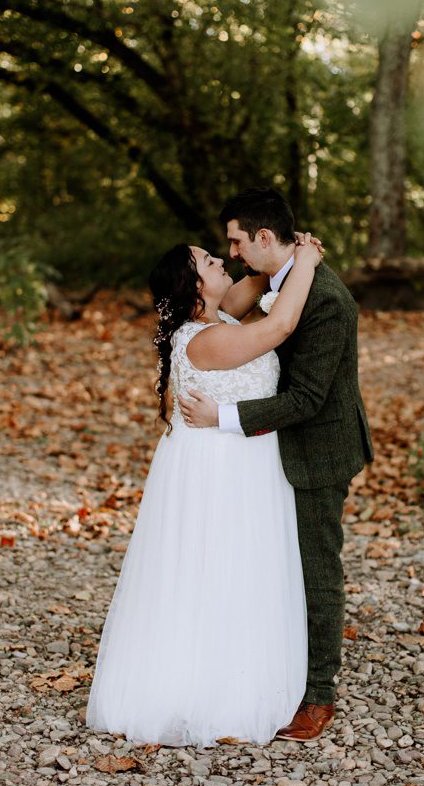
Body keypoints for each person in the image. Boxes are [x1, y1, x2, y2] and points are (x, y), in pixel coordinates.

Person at [85, 229, 322, 745]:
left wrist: (274, 248)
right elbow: (280, 324)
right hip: (223, 470)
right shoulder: (206, 338)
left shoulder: (218, 315)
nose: (223, 260)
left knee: (239, 568)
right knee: (220, 567)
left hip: (242, 460)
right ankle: (210, 690)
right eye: (210, 260)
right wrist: (306, 258)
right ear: (195, 288)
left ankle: (239, 669)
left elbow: (255, 276)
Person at [179, 188, 373, 741]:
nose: (233, 253)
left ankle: (318, 695)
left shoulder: (327, 299)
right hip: (271, 446)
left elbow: (308, 398)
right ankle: (272, 666)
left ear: (264, 237)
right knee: (275, 564)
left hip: (316, 446)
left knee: (317, 568)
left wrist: (221, 416)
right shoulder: (278, 280)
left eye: (237, 241)